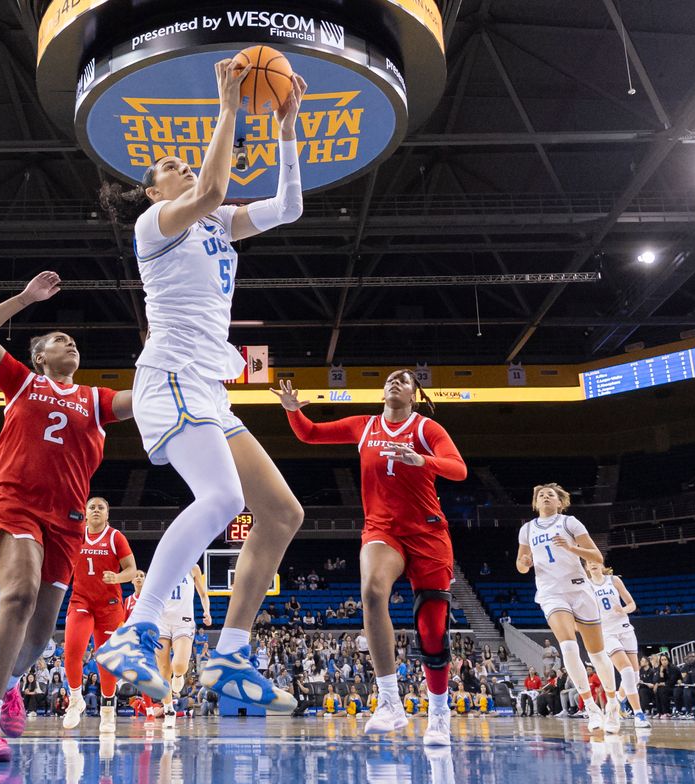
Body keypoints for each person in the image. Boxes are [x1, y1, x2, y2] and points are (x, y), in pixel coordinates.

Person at [95, 59, 309, 716]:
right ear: (155, 193)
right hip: (171, 376)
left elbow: (289, 207)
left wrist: (286, 129)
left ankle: (232, 655)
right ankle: (137, 631)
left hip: (209, 389)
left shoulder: (216, 224)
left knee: (281, 513)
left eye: (186, 165)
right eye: (170, 169)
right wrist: (228, 107)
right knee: (220, 499)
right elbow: (213, 189)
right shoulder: (153, 228)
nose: (183, 169)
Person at [0, 274, 134, 762]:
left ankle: (11, 684)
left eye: (73, 341)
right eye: (61, 340)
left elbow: (141, 399)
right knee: (18, 594)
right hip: (14, 503)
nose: (71, 343)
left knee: (39, 632)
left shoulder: (95, 401)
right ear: (40, 356)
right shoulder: (22, 382)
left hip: (67, 522)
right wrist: (24, 299)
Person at [274, 372, 467, 747]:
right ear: (383, 391)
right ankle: (390, 702)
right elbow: (310, 434)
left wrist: (422, 460)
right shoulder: (364, 425)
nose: (395, 382)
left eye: (404, 380)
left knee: (431, 631)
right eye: (391, 379)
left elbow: (458, 469)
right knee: (373, 592)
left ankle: (439, 712)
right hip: (383, 531)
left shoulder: (427, 428)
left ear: (414, 394)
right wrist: (293, 411)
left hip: (428, 534)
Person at [516, 484, 620, 734]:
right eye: (541, 494)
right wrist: (525, 562)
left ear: (560, 502)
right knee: (568, 646)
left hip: (579, 590)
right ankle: (592, 707)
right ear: (535, 502)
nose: (545, 497)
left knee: (597, 654)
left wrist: (572, 548)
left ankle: (613, 703)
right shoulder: (527, 529)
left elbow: (596, 557)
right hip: (551, 592)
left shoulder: (569, 522)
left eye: (550, 494)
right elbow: (520, 566)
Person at [61, 496, 137, 734]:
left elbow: (132, 570)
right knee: (72, 650)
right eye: (91, 507)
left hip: (109, 604)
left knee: (106, 659)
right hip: (81, 600)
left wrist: (117, 577)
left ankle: (107, 709)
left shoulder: (115, 537)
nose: (95, 510)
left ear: (107, 514)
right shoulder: (76, 535)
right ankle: (75, 700)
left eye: (100, 507)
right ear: (85, 512)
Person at [585, 560, 650, 728]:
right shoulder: (586, 585)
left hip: (625, 628)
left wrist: (624, 610)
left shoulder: (614, 580)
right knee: (627, 672)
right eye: (588, 562)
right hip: (606, 632)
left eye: (595, 561)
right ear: (586, 567)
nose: (592, 564)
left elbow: (632, 604)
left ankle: (617, 702)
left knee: (635, 677)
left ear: (601, 564)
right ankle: (638, 714)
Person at [157, 564, 212, 729]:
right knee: (163, 669)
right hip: (161, 621)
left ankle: (179, 675)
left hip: (184, 622)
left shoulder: (193, 568)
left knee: (179, 665)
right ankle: (168, 710)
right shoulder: (161, 565)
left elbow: (203, 593)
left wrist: (206, 611)